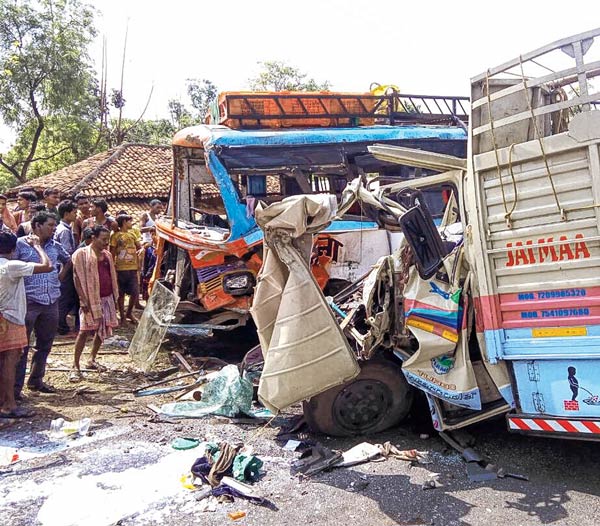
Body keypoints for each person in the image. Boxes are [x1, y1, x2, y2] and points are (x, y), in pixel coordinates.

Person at [14, 211, 70, 396]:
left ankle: (36, 381)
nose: (54, 229)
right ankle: (15, 388)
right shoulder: (20, 245)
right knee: (22, 347)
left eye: (54, 225)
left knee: (45, 344)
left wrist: (59, 277)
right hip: (28, 301)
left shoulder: (55, 246)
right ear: (37, 225)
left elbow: (68, 260)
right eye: (50, 225)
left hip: (51, 300)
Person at [0, 231, 52, 417]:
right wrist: (37, 245)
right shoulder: (11, 265)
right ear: (13, 249)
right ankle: (9, 405)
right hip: (10, 318)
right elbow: (47, 266)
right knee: (9, 362)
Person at [71, 225, 119, 380]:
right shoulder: (81, 254)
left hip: (107, 297)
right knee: (84, 331)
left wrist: (115, 298)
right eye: (103, 239)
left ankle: (91, 358)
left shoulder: (107, 255)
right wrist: (83, 300)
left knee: (102, 329)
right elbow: (77, 278)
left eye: (108, 239)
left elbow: (111, 276)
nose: (106, 243)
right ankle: (75, 366)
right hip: (90, 300)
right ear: (93, 238)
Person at [110, 214, 141, 324]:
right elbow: (112, 252)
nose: (131, 224)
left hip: (133, 268)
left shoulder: (132, 234)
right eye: (129, 221)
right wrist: (112, 266)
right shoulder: (115, 236)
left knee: (135, 292)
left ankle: (129, 312)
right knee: (121, 292)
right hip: (120, 268)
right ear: (124, 222)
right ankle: (122, 316)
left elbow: (139, 247)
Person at [54, 200, 79, 335]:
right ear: (66, 214)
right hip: (65, 268)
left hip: (65, 267)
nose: (76, 215)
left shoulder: (66, 228)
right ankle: (61, 326)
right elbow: (66, 253)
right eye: (74, 212)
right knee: (65, 297)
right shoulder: (64, 231)